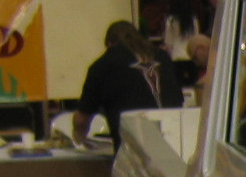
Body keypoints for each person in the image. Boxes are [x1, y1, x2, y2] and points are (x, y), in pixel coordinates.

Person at [73, 20, 183, 149]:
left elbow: (81, 120)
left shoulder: (103, 65)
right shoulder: (163, 57)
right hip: (173, 141)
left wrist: (78, 137)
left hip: (132, 147)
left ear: (109, 43)